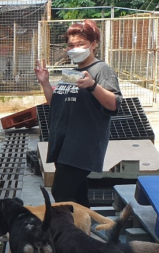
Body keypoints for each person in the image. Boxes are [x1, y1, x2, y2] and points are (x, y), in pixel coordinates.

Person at [35, 19, 122, 208]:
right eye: (71, 45)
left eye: (80, 44)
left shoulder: (102, 70)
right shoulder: (72, 72)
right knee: (78, 194)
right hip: (64, 142)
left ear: (93, 44)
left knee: (61, 192)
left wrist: (92, 86)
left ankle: (71, 233)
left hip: (83, 145)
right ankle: (85, 231)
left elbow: (114, 104)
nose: (75, 49)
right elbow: (57, 103)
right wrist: (45, 82)